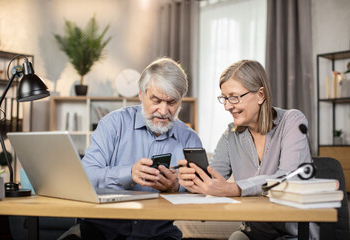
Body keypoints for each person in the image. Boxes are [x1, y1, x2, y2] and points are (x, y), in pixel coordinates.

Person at [63, 57, 202, 240]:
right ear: (141, 94)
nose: (163, 110)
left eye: (171, 102)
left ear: (180, 101)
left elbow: (201, 194)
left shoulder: (189, 138)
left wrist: (175, 187)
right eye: (156, 100)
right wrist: (128, 173)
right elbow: (87, 176)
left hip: (158, 234)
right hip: (100, 230)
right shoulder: (112, 124)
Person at [177, 60, 315, 240]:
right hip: (253, 233)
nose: (227, 106)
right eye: (224, 98)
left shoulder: (292, 121)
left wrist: (235, 188)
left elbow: (288, 178)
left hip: (294, 233)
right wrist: (193, 179)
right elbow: (214, 177)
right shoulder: (231, 134)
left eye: (234, 97)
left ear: (260, 95)